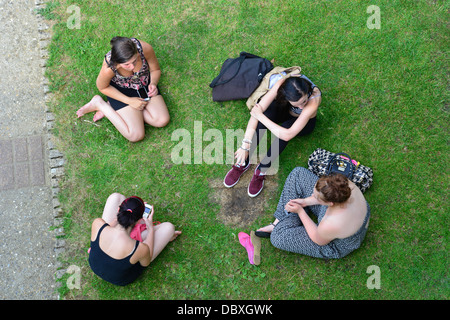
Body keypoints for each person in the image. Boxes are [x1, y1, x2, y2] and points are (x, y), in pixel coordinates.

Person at [223, 75, 322, 197]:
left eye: (304, 101)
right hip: (285, 111)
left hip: (303, 124)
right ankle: (244, 159)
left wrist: (261, 117)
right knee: (268, 112)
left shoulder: (314, 99)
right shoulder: (282, 84)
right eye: (297, 104)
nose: (302, 107)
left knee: (283, 129)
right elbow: (256, 112)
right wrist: (245, 146)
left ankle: (262, 169)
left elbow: (288, 135)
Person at [255, 167, 370, 259]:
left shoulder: (333, 223)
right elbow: (327, 195)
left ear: (330, 203)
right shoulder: (344, 185)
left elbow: (317, 239)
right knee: (298, 174)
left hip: (333, 243)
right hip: (340, 215)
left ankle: (281, 223)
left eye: (316, 197)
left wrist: (300, 211)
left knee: (277, 237)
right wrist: (306, 201)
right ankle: (280, 220)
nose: (312, 195)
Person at [76, 37, 170, 142]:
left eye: (135, 61)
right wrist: (129, 101)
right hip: (121, 91)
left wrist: (153, 83)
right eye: (126, 65)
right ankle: (100, 105)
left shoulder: (144, 49)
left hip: (144, 84)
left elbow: (155, 69)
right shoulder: (109, 68)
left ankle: (124, 110)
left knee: (162, 120)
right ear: (117, 63)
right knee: (136, 135)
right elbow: (102, 87)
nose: (132, 67)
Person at [88, 193, 181, 286]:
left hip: (94, 265)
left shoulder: (97, 223)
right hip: (120, 279)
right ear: (140, 220)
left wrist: (120, 217)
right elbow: (147, 260)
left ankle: (134, 228)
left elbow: (106, 227)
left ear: (118, 210)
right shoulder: (140, 248)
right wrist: (151, 229)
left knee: (116, 197)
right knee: (169, 228)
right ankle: (152, 234)